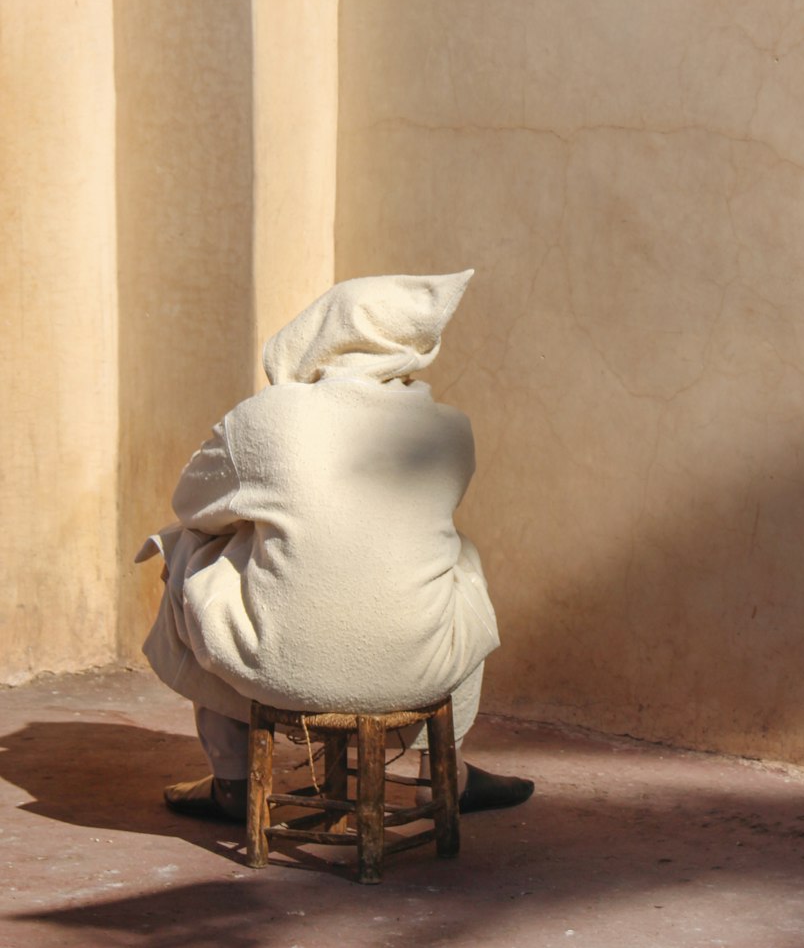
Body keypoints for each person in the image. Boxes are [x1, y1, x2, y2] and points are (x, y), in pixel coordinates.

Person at [136, 270, 533, 821]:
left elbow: (190, 504)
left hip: (273, 667)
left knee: (188, 546)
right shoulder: (449, 431)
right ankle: (445, 775)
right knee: (460, 560)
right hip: (419, 669)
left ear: (320, 329)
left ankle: (231, 779)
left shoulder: (265, 419)